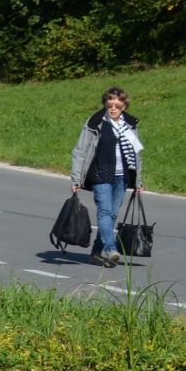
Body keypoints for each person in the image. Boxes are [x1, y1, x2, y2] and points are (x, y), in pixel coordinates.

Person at [69, 87, 143, 267]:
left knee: (112, 215)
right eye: (110, 104)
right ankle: (110, 249)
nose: (113, 108)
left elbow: (136, 154)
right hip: (100, 172)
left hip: (122, 176)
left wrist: (138, 182)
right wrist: (76, 179)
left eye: (118, 105)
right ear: (105, 104)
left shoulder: (130, 125)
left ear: (124, 106)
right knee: (105, 211)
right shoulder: (95, 122)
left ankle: (95, 253)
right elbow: (80, 151)